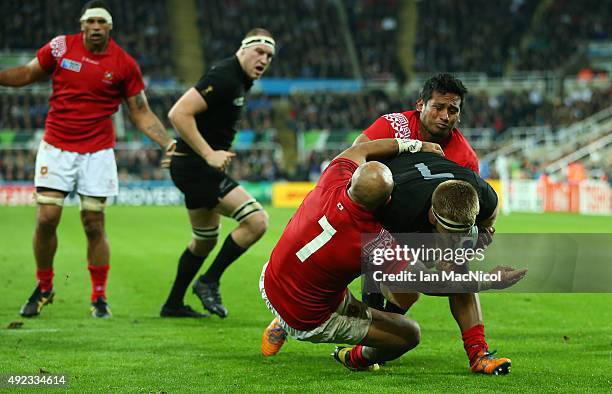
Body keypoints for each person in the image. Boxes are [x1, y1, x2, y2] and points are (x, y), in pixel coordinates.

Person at [0, 1, 176, 318]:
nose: (95, 27)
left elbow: (140, 111)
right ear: (82, 25)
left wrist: (167, 142)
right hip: (56, 146)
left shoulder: (124, 64)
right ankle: (44, 287)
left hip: (97, 152)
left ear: (110, 27)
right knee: (46, 218)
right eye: (90, 21)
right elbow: (27, 73)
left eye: (101, 22)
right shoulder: (60, 48)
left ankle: (99, 297)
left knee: (93, 224)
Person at [355, 73, 508, 374]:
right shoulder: (395, 125)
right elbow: (357, 153)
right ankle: (293, 318)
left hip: (428, 227)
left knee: (456, 275)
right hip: (378, 217)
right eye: (438, 107)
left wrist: (472, 239)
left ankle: (478, 353)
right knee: (383, 277)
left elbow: (474, 209)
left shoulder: (464, 156)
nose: (445, 116)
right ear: (421, 104)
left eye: (453, 110)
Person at [261, 138, 436, 370]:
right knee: (409, 333)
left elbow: (361, 148)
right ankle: (355, 359)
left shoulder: (331, 179)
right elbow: (429, 283)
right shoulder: (373, 241)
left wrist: (416, 145)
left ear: (351, 180)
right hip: (308, 320)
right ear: (388, 201)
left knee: (399, 292)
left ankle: (281, 321)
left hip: (270, 282)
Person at [160, 28, 275, 318]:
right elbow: (178, 113)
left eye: (269, 56)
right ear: (243, 48)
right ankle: (209, 281)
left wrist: (185, 149)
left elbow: (199, 119)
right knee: (257, 221)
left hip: (191, 165)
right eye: (259, 52)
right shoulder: (225, 76)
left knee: (205, 239)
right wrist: (208, 153)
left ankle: (173, 304)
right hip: (198, 168)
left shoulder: (241, 80)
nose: (264, 59)